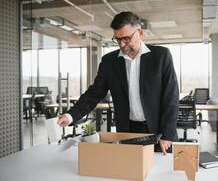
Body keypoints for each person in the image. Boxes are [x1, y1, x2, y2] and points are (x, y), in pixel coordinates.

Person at [57, 11, 179, 154]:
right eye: (117, 39)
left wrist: (167, 133)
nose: (122, 44)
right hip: (127, 131)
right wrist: (70, 115)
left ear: (140, 33)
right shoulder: (109, 62)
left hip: (159, 132)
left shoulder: (161, 56)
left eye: (126, 38)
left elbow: (171, 98)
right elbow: (94, 93)